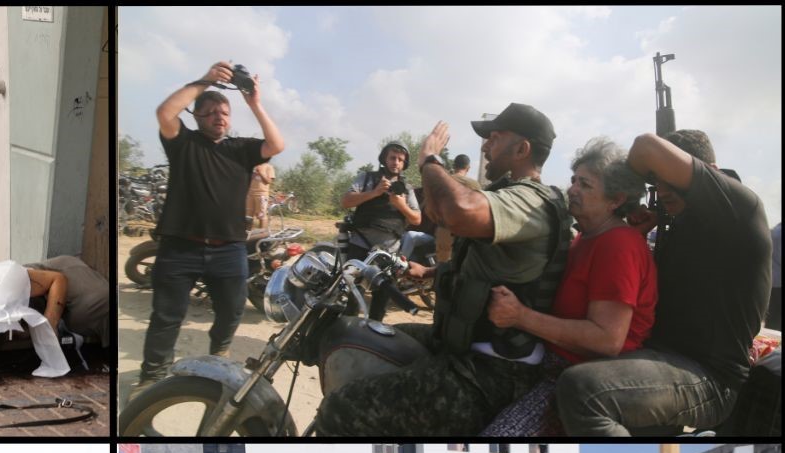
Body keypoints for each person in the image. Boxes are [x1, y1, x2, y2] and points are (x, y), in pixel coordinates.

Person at [314, 104, 572, 436]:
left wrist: (430, 161)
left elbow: (459, 211)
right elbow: (444, 217)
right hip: (461, 345)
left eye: (494, 138)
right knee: (359, 337)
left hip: (494, 370)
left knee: (342, 409)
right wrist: (432, 273)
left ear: (522, 149)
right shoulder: (506, 193)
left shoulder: (531, 201)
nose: (485, 146)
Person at [555, 129, 773, 435]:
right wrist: (642, 236)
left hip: (709, 379)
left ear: (706, 172)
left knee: (585, 390)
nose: (661, 190)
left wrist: (615, 181)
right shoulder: (682, 223)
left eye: (668, 180)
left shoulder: (738, 206)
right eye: (655, 182)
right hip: (663, 359)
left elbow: (646, 146)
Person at [481, 137, 658, 435]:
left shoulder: (618, 244)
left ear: (615, 200)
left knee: (500, 438)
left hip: (572, 376)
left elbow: (606, 338)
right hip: (544, 360)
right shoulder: (586, 237)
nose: (572, 189)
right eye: (574, 180)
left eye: (585, 185)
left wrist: (519, 316)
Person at [136, 61, 285, 389]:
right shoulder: (183, 143)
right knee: (166, 318)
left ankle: (218, 358)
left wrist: (255, 103)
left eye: (225, 113)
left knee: (231, 312)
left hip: (229, 249)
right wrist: (205, 80)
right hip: (180, 247)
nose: (220, 117)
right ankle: (151, 378)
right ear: (197, 116)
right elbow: (165, 111)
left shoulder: (241, 149)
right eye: (212, 111)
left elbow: (276, 145)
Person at [341, 142, 422, 258]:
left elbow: (417, 219)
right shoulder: (366, 177)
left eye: (400, 160)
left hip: (389, 251)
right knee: (349, 276)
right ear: (385, 159)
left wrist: (401, 205)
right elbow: (345, 202)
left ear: (404, 164)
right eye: (392, 158)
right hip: (360, 245)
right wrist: (374, 192)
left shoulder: (407, 189)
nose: (396, 162)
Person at [26, 267, 69, 334]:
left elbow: (59, 279)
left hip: (64, 288)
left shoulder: (10, 281)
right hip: (43, 307)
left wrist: (49, 329)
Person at [247, 161, 275, 230]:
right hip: (250, 194)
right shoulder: (253, 166)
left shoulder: (269, 167)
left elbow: (269, 181)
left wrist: (261, 173)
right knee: (248, 216)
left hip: (261, 195)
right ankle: (247, 235)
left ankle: (261, 236)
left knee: (261, 216)